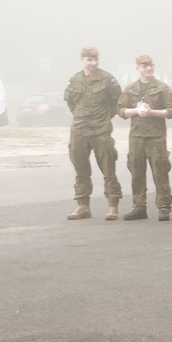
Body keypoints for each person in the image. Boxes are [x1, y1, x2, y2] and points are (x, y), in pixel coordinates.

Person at [63, 46, 123, 220]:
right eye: (90, 59)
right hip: (79, 131)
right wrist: (82, 118)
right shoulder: (74, 80)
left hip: (101, 131)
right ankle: (83, 206)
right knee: (81, 170)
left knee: (108, 169)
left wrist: (104, 118)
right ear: (82, 60)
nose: (94, 62)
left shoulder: (107, 79)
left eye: (96, 59)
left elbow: (117, 102)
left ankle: (112, 206)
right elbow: (71, 104)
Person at [116, 55, 172, 221]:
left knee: (161, 172)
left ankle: (164, 207)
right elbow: (121, 111)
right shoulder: (130, 89)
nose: (148, 69)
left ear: (154, 66)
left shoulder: (162, 88)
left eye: (150, 65)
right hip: (136, 137)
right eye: (144, 66)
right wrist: (137, 111)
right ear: (137, 69)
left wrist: (152, 113)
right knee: (136, 173)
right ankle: (139, 207)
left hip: (156, 137)